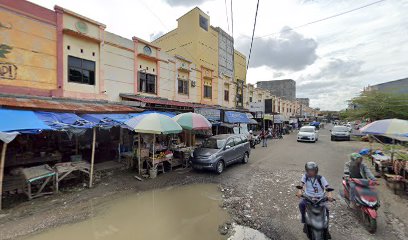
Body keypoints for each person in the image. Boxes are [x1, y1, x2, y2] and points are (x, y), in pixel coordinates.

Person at [296, 162, 334, 236]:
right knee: (301, 204)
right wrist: (299, 191)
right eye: (309, 170)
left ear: (316, 170)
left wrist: (329, 195)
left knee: (326, 210)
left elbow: (327, 187)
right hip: (308, 197)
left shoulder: (321, 178)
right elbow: (301, 185)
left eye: (312, 170)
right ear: (307, 170)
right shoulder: (305, 177)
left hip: (320, 198)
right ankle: (304, 220)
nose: (311, 172)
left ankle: (326, 228)